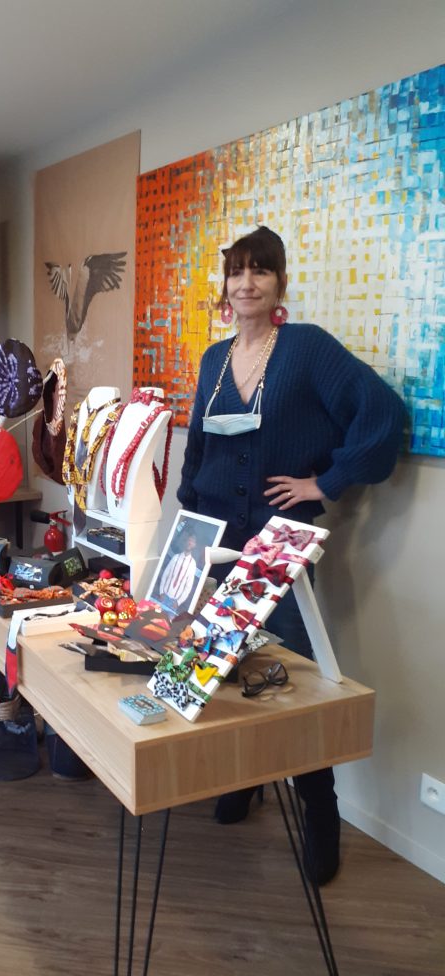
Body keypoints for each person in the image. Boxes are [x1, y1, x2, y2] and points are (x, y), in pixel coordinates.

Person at [177, 225, 407, 885]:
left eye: (261, 271)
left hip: (278, 544)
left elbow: (382, 414)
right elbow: (198, 450)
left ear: (279, 283)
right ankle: (243, 780)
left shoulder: (305, 349)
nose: (247, 283)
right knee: (221, 667)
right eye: (237, 271)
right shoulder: (214, 359)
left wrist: (324, 483)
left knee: (293, 684)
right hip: (216, 541)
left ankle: (321, 815)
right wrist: (187, 531)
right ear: (225, 285)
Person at [157, 525, 199, 613]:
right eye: (189, 540)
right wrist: (161, 592)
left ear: (195, 545)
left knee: (168, 621)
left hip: (174, 602)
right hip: (164, 596)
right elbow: (165, 575)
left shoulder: (192, 564)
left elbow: (188, 587)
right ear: (185, 541)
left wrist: (178, 602)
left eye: (192, 541)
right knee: (156, 617)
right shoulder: (175, 557)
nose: (190, 542)